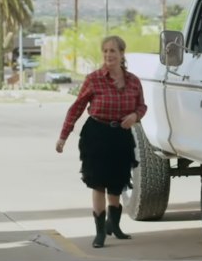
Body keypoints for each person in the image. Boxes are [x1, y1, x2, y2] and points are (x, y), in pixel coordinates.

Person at [55, 35, 146, 248]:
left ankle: (114, 225)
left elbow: (142, 106)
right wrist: (63, 136)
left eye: (113, 51)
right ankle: (99, 234)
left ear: (122, 54)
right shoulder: (94, 79)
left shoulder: (133, 81)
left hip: (121, 136)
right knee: (98, 184)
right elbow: (76, 108)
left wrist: (135, 116)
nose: (108, 55)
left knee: (117, 184)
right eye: (105, 51)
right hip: (96, 135)